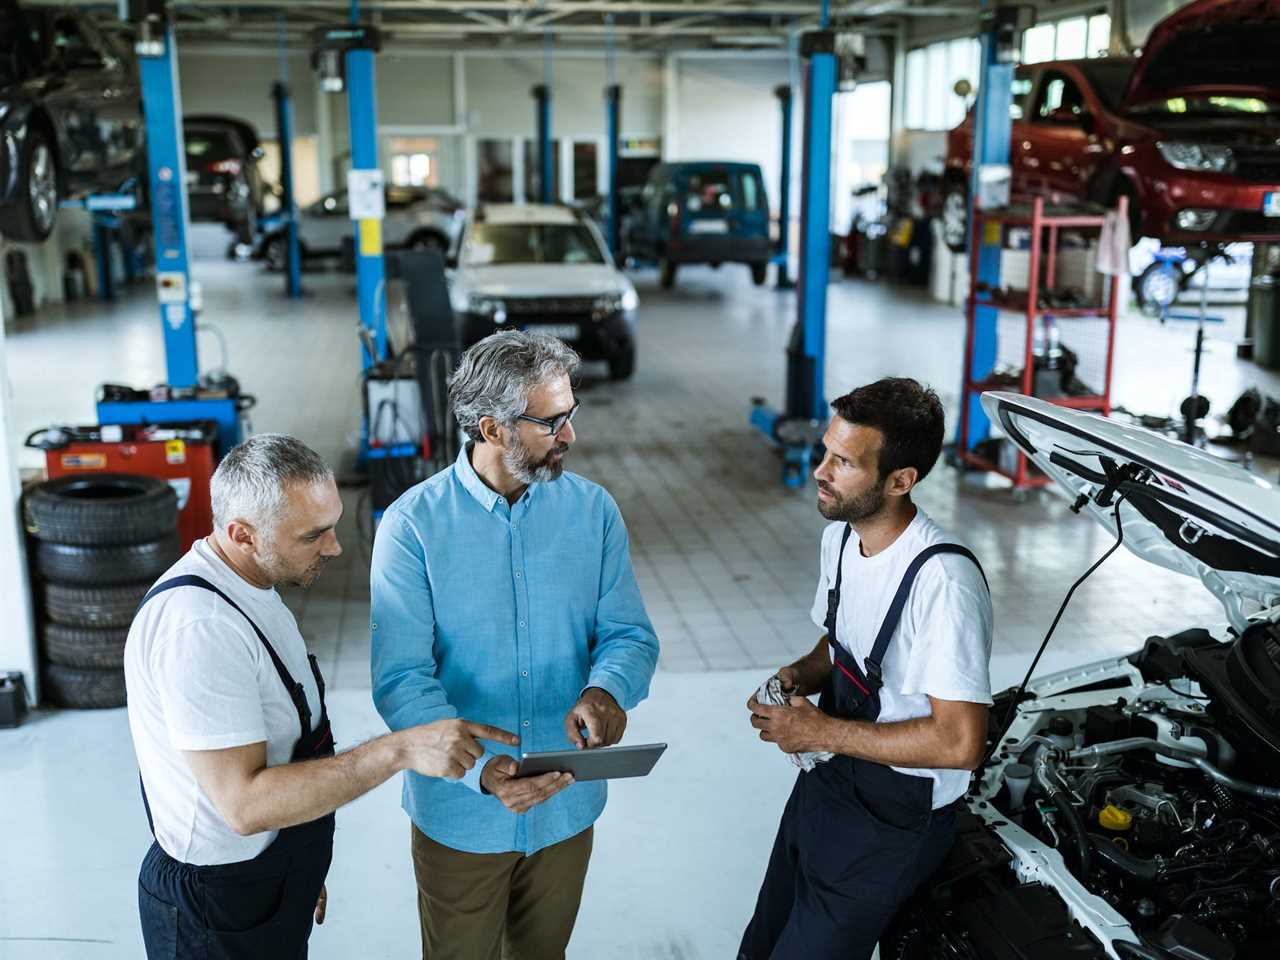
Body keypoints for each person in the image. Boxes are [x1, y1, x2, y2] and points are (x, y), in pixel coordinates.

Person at [125, 433, 516, 959]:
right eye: (314, 535)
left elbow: (283, 745)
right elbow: (243, 805)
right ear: (242, 533)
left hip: (262, 879)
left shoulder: (250, 587)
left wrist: (295, 866)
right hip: (217, 912)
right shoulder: (201, 628)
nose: (334, 547)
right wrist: (396, 749)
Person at [371, 330, 660, 960]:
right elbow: (402, 679)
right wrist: (480, 770)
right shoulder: (411, 527)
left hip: (566, 804)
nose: (569, 436)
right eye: (549, 422)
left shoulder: (593, 512)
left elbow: (628, 633)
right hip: (463, 816)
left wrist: (607, 688)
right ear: (491, 427)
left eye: (570, 416)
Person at [739, 378, 993, 960]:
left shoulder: (944, 583)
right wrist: (796, 678)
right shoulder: (841, 540)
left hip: (895, 816)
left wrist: (820, 731)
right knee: (763, 940)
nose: (820, 470)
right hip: (828, 782)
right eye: (826, 451)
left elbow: (960, 742)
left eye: (844, 462)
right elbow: (840, 646)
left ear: (901, 480)